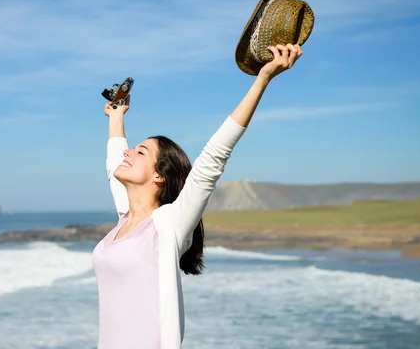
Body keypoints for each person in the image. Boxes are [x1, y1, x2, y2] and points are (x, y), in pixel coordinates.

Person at [92, 44, 304, 349]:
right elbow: (114, 159)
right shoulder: (124, 219)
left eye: (140, 152)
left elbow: (215, 155)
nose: (127, 152)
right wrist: (117, 113)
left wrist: (263, 79)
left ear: (159, 176)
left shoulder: (168, 226)